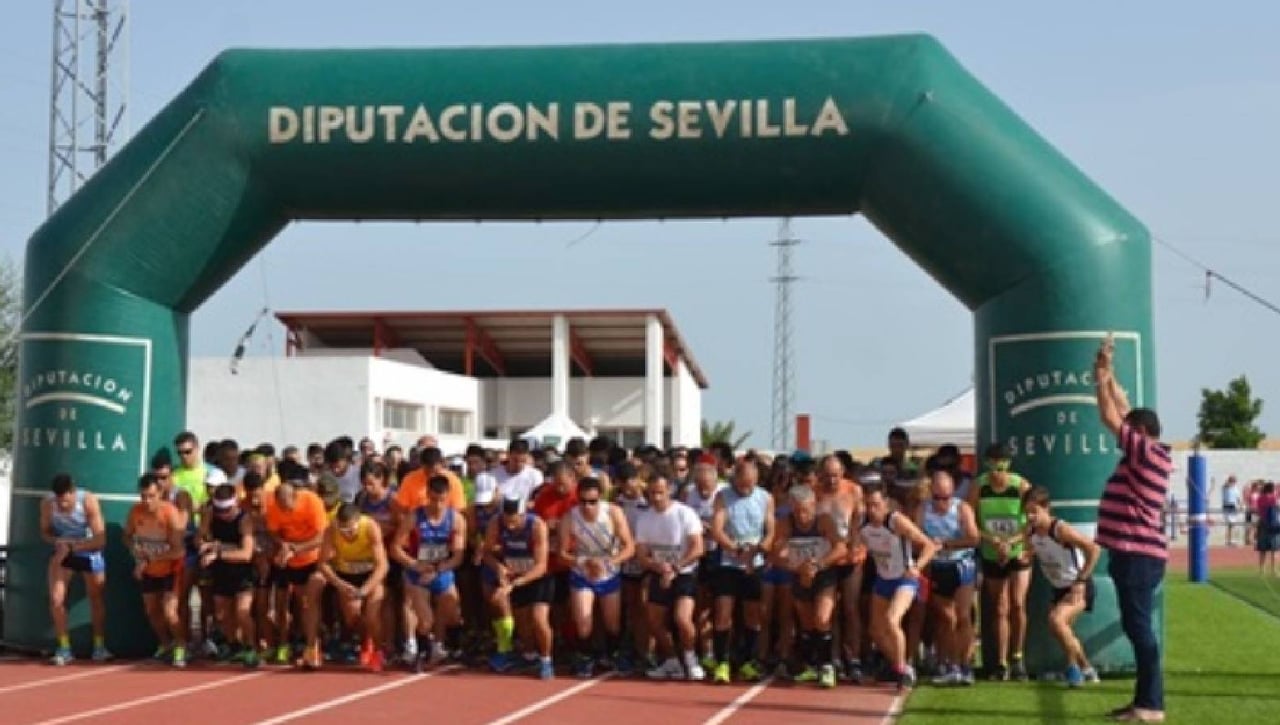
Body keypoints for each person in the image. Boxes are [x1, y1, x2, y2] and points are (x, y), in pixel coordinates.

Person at [1094, 332, 1171, 723]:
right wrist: (1108, 372)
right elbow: (1123, 410)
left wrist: (1100, 378)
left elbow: (1110, 416)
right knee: (1137, 626)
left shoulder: (1145, 453)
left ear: (1138, 435)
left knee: (1140, 630)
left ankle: (1152, 705)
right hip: (1135, 554)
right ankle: (1144, 702)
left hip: (1136, 555)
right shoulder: (1151, 452)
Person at [858, 485, 937, 691]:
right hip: (883, 579)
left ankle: (901, 670)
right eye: (868, 505)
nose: (872, 509)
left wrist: (917, 567)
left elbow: (929, 545)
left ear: (886, 504)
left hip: (904, 579)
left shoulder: (895, 521)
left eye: (876, 505)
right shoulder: (862, 524)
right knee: (875, 630)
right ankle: (900, 664)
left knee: (892, 620)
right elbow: (851, 545)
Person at [1023, 485, 1100, 688]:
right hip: (1057, 588)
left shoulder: (1059, 529)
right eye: (1027, 512)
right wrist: (1019, 556)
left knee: (1056, 620)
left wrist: (1081, 581)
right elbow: (1030, 551)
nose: (1030, 517)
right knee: (1062, 630)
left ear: (1046, 508)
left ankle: (1073, 669)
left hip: (1077, 585)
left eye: (1034, 512)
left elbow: (1093, 549)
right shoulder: (1030, 531)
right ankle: (1087, 669)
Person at [558, 476, 634, 678]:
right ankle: (584, 657)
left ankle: (612, 654)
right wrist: (583, 561)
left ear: (600, 498)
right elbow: (562, 554)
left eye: (592, 502)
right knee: (583, 620)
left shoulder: (613, 513)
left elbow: (629, 547)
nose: (587, 507)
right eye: (582, 501)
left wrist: (608, 563)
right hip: (582, 572)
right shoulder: (570, 518)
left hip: (608, 572)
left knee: (612, 623)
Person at [968, 442, 1033, 681]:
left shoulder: (1020, 485)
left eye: (1001, 464)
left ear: (1008, 465)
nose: (997, 470)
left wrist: (1012, 541)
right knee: (999, 607)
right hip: (992, 551)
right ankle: (1001, 662)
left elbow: (1033, 520)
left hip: (1017, 550)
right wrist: (991, 539)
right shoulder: (979, 487)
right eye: (993, 464)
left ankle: (1018, 657)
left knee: (1018, 603)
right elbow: (969, 520)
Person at [708, 458, 775, 684]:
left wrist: (761, 548)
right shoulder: (723, 496)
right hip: (729, 562)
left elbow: (771, 530)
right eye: (742, 484)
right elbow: (717, 530)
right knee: (722, 614)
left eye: (750, 484)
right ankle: (722, 662)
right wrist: (735, 549)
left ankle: (748, 661)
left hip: (754, 563)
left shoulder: (765, 497)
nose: (746, 488)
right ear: (734, 478)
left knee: (753, 615)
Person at [773, 485, 847, 688]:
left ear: (814, 506)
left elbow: (841, 548)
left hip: (823, 574)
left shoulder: (823, 521)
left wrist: (818, 565)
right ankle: (809, 664)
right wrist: (796, 567)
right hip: (800, 574)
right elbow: (776, 554)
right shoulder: (785, 524)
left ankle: (827, 666)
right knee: (807, 624)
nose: (802, 516)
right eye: (797, 511)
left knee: (822, 618)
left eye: (805, 510)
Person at [635, 474, 706, 681]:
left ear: (669, 491)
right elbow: (641, 555)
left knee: (682, 619)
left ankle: (691, 659)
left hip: (685, 573)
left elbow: (697, 548)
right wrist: (659, 567)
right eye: (652, 493)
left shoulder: (685, 514)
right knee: (653, 620)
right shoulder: (645, 519)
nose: (656, 497)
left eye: (660, 492)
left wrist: (675, 568)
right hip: (660, 572)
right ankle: (671, 660)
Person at [394, 474, 467, 671]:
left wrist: (438, 569)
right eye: (433, 499)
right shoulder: (414, 517)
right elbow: (396, 548)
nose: (437, 504)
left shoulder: (456, 519)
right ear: (427, 495)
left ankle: (440, 646)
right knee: (425, 620)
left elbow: (458, 556)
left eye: (442, 500)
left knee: (452, 614)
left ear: (448, 497)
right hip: (418, 573)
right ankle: (421, 652)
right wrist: (415, 564)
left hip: (441, 570)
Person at [40, 473, 111, 665]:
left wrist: (75, 546)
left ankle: (99, 645)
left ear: (73, 492)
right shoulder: (48, 504)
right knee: (56, 599)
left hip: (88, 550)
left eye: (66, 500)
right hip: (65, 552)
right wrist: (58, 542)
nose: (63, 504)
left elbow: (100, 539)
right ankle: (64, 648)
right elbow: (45, 532)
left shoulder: (87, 501)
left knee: (95, 596)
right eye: (59, 500)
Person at [483, 493, 554, 679]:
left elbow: (541, 566)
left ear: (523, 515)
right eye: (507, 521)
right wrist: (499, 568)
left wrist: (514, 584)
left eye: (514, 521)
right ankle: (529, 655)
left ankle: (546, 660)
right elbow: (487, 553)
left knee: (539, 619)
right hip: (514, 576)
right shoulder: (495, 523)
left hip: (538, 578)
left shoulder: (537, 526)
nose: (510, 526)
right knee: (522, 623)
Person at [919, 468, 979, 686]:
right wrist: (927, 546)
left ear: (953, 492)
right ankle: (950, 663)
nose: (942, 503)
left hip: (961, 564)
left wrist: (947, 544)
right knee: (946, 618)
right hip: (937, 567)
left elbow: (974, 538)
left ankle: (965, 665)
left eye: (946, 497)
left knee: (963, 616)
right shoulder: (923, 510)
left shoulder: (962, 508)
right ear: (931, 492)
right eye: (937, 498)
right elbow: (915, 536)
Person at [265, 480, 330, 669]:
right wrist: (283, 545)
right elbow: (273, 531)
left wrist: (297, 548)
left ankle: (312, 647)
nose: (284, 510)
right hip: (290, 560)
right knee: (297, 603)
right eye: (281, 505)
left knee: (310, 600)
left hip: (314, 558)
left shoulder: (312, 502)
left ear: (295, 497)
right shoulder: (274, 507)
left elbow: (322, 537)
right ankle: (307, 641)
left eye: (288, 506)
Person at [124, 473, 187, 666]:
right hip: (149, 570)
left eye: (151, 496)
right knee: (151, 611)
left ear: (160, 493)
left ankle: (181, 646)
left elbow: (178, 551)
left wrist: (151, 558)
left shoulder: (170, 513)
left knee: (169, 611)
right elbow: (127, 536)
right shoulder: (136, 512)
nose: (147, 501)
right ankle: (165, 644)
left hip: (171, 569)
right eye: (143, 496)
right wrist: (135, 551)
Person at [319, 502, 389, 672]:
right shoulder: (331, 530)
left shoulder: (370, 527)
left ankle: (379, 651)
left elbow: (383, 565)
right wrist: (339, 584)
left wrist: (365, 589)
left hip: (370, 575)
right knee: (352, 616)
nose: (348, 534)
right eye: (343, 530)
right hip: (346, 576)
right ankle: (366, 639)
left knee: (372, 613)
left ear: (358, 521)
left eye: (351, 530)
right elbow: (323, 564)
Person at [199, 481, 259, 667]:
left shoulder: (244, 520)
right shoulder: (211, 514)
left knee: (242, 612)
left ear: (235, 504)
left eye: (226, 510)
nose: (222, 515)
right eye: (219, 510)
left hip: (242, 572)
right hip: (221, 571)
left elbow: (246, 554)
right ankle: (234, 645)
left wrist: (218, 553)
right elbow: (200, 536)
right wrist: (205, 543)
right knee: (222, 614)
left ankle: (251, 647)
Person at [1255, 482, 1279, 576]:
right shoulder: (1273, 498)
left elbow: (1258, 510)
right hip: (1273, 524)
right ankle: (1274, 570)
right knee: (1274, 549)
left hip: (1262, 523)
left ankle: (1262, 570)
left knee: (1263, 549)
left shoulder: (1260, 498)